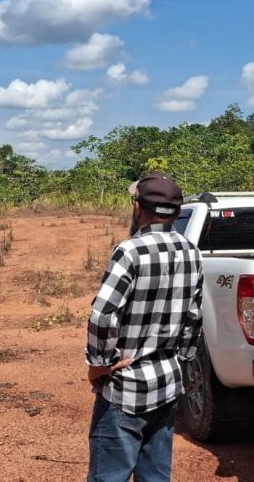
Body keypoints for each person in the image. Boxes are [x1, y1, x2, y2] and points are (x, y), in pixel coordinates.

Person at [85, 171, 204, 482]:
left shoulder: (130, 250)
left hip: (125, 385)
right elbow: (194, 316)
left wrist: (99, 364)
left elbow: (102, 315)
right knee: (155, 475)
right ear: (177, 212)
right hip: (166, 381)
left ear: (137, 207)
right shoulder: (191, 251)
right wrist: (182, 360)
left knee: (108, 475)